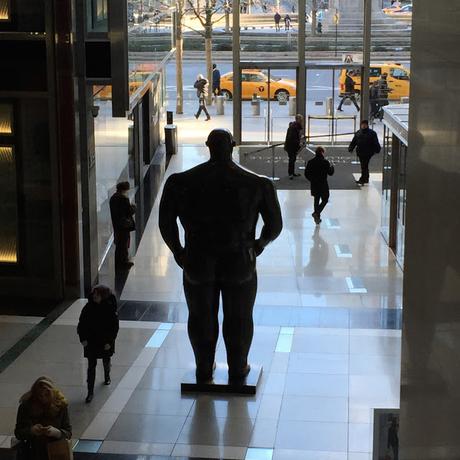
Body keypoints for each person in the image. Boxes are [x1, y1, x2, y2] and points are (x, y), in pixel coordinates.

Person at [159, 129, 282, 383]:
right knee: (239, 316)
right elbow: (275, 226)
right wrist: (258, 245)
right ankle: (238, 368)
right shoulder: (257, 184)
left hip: (198, 259)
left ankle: (204, 368)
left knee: (200, 315)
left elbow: (165, 224)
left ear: (208, 146)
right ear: (233, 146)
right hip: (239, 259)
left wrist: (179, 251)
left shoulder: (180, 182)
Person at [77, 285, 119, 403]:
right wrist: (83, 339)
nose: (95, 296)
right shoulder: (88, 308)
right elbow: (82, 324)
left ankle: (107, 375)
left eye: (98, 294)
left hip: (105, 341)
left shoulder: (110, 309)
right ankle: (90, 391)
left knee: (106, 360)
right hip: (91, 342)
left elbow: (114, 328)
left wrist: (110, 342)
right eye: (94, 294)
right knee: (91, 366)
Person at [14, 377, 72, 460]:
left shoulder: (60, 406)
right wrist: (31, 431)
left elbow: (68, 432)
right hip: (32, 453)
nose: (43, 398)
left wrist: (57, 433)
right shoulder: (26, 407)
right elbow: (18, 432)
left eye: (46, 395)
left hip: (56, 452)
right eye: (40, 395)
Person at [305, 146, 334, 224]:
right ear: (322, 152)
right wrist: (332, 167)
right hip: (323, 184)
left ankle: (317, 218)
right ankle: (316, 213)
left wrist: (312, 180)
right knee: (325, 199)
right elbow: (330, 173)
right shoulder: (325, 162)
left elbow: (306, 174)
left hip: (314, 184)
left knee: (316, 199)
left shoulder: (310, 162)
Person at [109, 181, 136, 268]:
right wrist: (134, 207)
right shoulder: (123, 199)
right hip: (124, 225)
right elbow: (128, 211)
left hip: (117, 224)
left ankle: (118, 262)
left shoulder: (113, 198)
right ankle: (124, 262)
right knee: (124, 244)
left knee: (119, 244)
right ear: (124, 189)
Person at [348, 119, 381, 185]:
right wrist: (351, 148)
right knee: (364, 166)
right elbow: (354, 141)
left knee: (364, 166)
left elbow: (375, 142)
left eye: (364, 125)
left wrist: (377, 149)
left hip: (368, 152)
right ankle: (365, 178)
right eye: (362, 125)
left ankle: (363, 179)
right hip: (361, 152)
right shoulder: (359, 132)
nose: (363, 126)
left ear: (366, 125)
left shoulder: (371, 133)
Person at [284, 114, 304, 179]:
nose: (301, 121)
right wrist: (298, 143)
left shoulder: (296, 126)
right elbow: (291, 138)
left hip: (293, 146)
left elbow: (296, 136)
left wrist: (300, 138)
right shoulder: (293, 127)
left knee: (293, 159)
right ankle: (290, 174)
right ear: (297, 119)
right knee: (292, 159)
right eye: (300, 120)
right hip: (290, 146)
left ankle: (292, 173)